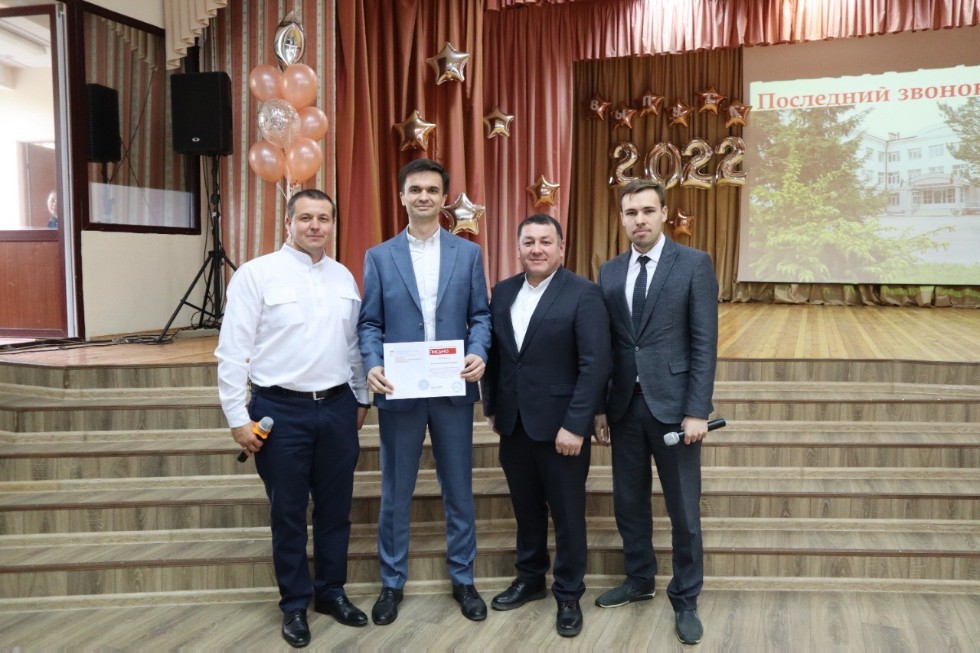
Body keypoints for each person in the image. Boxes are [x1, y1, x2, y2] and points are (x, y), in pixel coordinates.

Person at [215, 189, 371, 648]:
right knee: (287, 512)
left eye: (324, 218)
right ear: (288, 223)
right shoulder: (256, 274)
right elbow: (232, 350)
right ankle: (294, 604)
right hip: (279, 410)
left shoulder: (343, 277)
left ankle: (331, 592)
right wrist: (237, 418)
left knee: (336, 509)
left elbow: (352, 347)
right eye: (306, 218)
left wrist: (360, 399)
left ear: (333, 224)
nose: (315, 225)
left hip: (338, 407)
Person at [358, 158, 491, 625]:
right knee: (396, 492)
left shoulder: (468, 254)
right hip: (400, 389)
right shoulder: (379, 257)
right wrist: (372, 364)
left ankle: (464, 579)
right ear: (402, 196)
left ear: (444, 198)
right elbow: (369, 323)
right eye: (415, 189)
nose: (423, 197)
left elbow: (481, 316)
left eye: (432, 190)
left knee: (459, 489)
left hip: (453, 388)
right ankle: (392, 582)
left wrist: (479, 352)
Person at [593, 179, 718, 646]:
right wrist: (601, 407)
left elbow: (704, 343)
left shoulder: (694, 264)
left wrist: (697, 410)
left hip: (676, 410)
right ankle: (639, 579)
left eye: (648, 210)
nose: (639, 220)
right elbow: (608, 346)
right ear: (622, 218)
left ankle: (685, 598)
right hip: (624, 408)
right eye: (631, 212)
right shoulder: (609, 271)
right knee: (629, 502)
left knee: (683, 511)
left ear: (664, 213)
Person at [482, 214, 611, 638]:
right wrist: (492, 407)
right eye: (529, 242)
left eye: (545, 241)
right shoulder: (503, 292)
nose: (536, 249)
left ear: (561, 247)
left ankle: (569, 593)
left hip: (562, 429)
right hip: (514, 424)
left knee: (568, 514)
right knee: (526, 509)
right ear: (518, 247)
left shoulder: (584, 293)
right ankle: (530, 578)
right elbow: (497, 357)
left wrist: (576, 425)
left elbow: (595, 365)